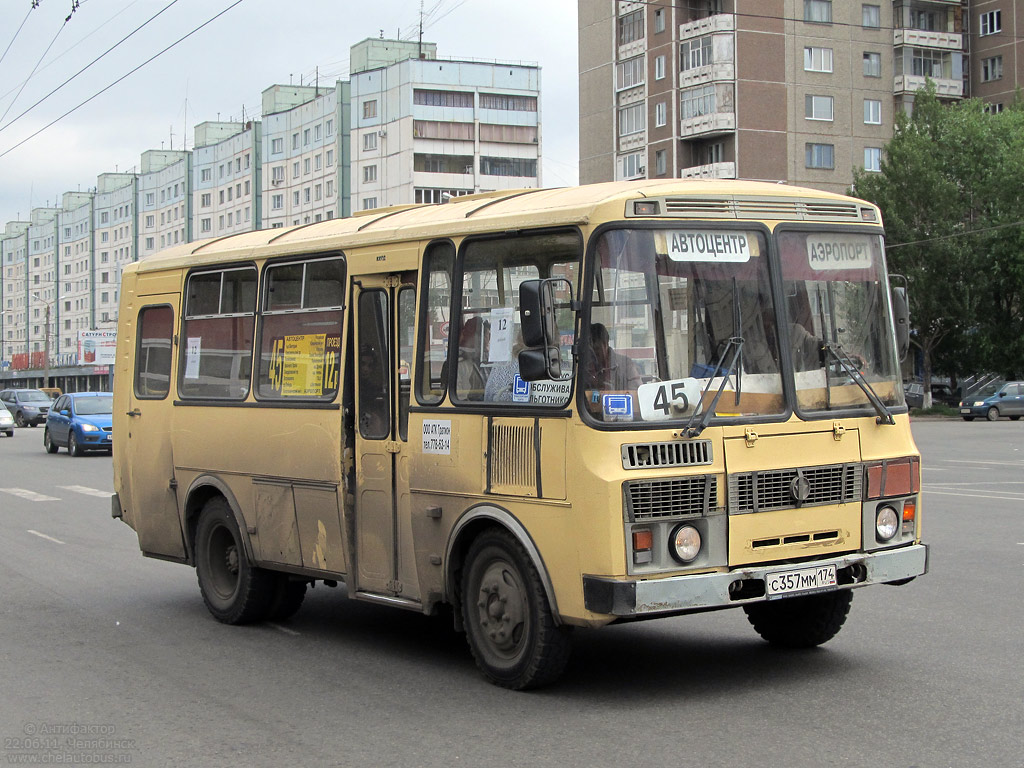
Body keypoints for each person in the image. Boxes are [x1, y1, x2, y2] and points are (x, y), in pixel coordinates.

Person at [585, 322, 642, 391]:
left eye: (597, 349)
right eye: (591, 351)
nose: (594, 355)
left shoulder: (626, 364)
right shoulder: (584, 368)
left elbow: (636, 391)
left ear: (606, 343)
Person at [456, 316, 488, 399]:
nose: (487, 339)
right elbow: (458, 398)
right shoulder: (458, 364)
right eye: (485, 334)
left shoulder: (487, 358)